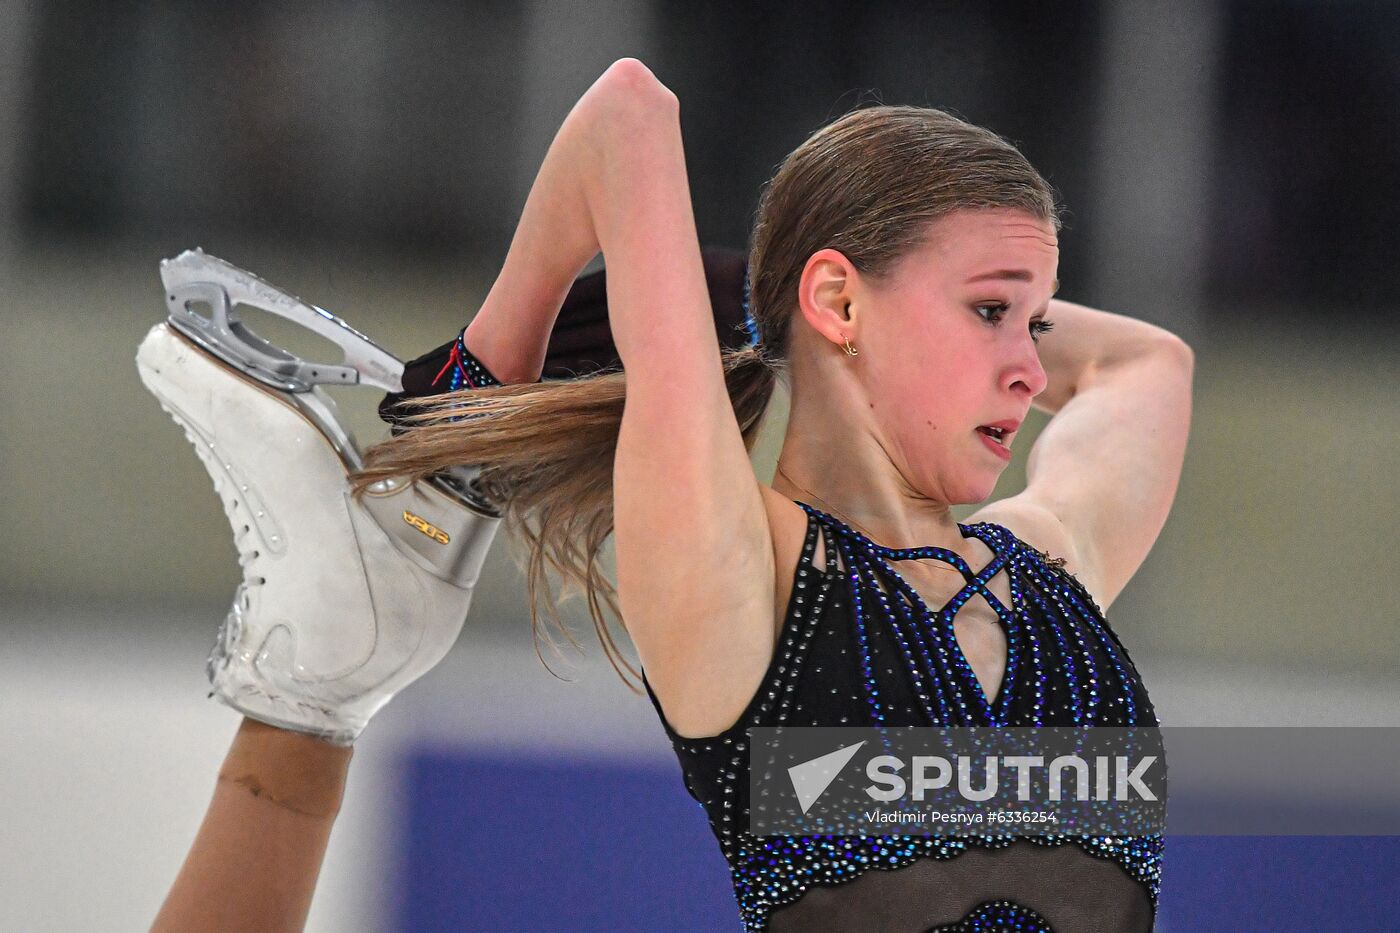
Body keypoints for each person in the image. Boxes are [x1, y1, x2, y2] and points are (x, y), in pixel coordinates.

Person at [147, 59, 1193, 932]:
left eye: (1037, 323)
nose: (1028, 368)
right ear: (837, 297)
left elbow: (1146, 365)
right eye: (990, 312)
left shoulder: (1049, 559)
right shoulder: (744, 564)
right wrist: (481, 377)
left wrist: (775, 300)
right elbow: (625, 115)